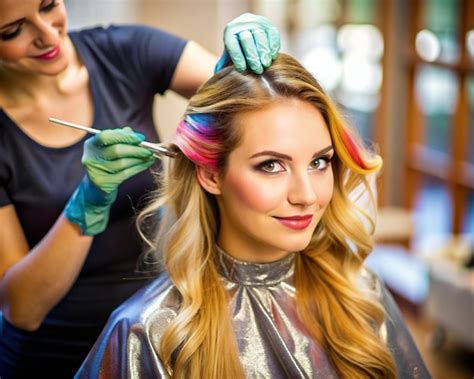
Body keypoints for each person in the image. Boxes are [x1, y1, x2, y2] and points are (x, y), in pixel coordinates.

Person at [75, 53, 431, 378]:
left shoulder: (359, 293)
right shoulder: (150, 331)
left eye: (319, 162)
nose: (307, 196)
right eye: (272, 165)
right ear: (211, 175)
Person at [0, 0, 280, 377]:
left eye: (49, 5)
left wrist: (233, 69)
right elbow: (21, 308)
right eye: (13, 31)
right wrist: (87, 203)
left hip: (153, 333)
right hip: (49, 357)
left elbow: (244, 103)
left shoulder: (125, 49)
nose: (48, 35)